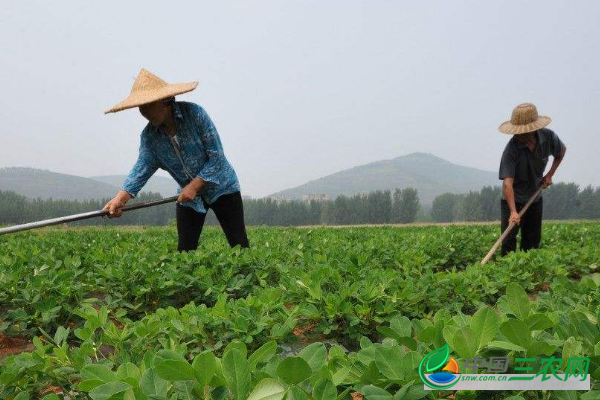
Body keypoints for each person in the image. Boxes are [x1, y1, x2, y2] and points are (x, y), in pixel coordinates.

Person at [103, 68, 249, 251]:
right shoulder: (150, 137)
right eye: (140, 107)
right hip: (188, 197)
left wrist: (195, 186)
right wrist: (120, 199)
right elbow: (141, 169)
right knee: (185, 252)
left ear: (165, 100)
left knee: (239, 246)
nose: (144, 112)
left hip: (223, 187)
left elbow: (217, 158)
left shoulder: (195, 115)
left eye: (148, 104)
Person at [498, 103, 566, 255]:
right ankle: (508, 273)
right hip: (512, 199)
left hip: (534, 197)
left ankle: (529, 273)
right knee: (508, 241)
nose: (519, 135)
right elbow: (507, 184)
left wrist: (550, 174)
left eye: (523, 132)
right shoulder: (511, 150)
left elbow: (561, 151)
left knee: (532, 241)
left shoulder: (548, 137)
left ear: (534, 129)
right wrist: (513, 212)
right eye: (518, 132)